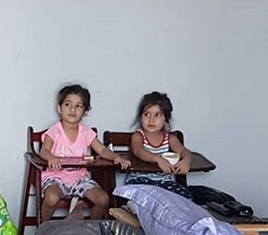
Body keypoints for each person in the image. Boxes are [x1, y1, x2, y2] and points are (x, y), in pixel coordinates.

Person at [39, 84, 130, 220]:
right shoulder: (55, 131)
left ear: (85, 112)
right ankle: (44, 227)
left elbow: (102, 150)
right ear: (59, 108)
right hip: (55, 178)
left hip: (79, 179)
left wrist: (116, 157)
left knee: (103, 199)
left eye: (78, 106)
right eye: (68, 104)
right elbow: (44, 150)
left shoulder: (86, 132)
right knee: (51, 198)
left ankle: (89, 227)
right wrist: (51, 158)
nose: (73, 109)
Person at [125, 91, 193, 199]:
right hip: (140, 180)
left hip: (164, 182)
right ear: (140, 117)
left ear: (165, 119)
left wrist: (186, 160)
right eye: (147, 114)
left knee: (186, 198)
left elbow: (184, 151)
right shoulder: (138, 136)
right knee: (145, 199)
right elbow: (139, 151)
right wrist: (158, 160)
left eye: (157, 115)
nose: (151, 120)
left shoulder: (170, 138)